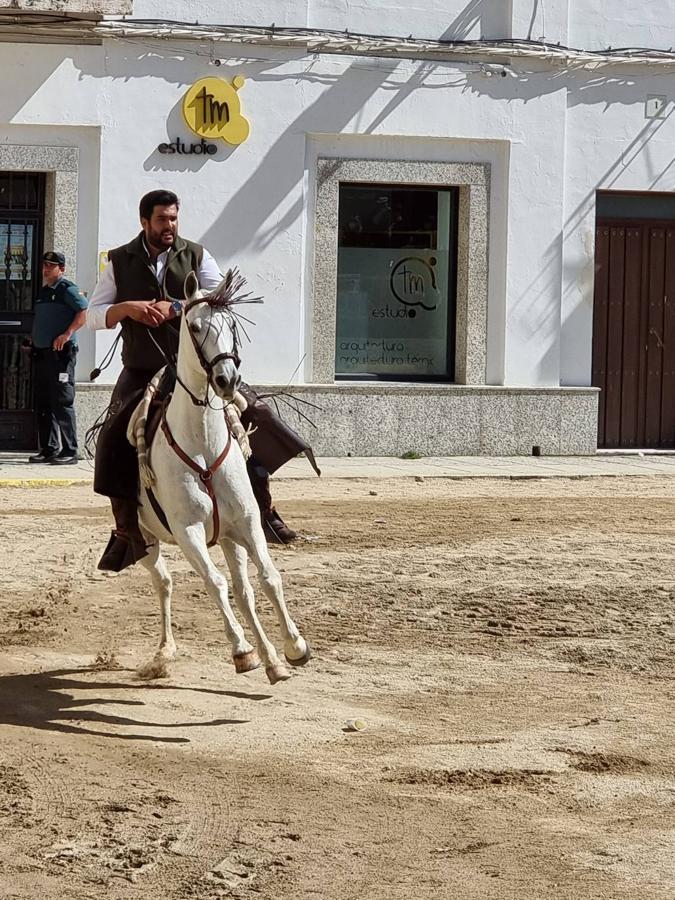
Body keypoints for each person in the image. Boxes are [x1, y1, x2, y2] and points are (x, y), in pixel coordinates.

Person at [87, 189, 306, 573]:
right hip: (141, 368)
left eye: (173, 218)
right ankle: (125, 530)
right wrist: (128, 309)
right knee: (111, 435)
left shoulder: (198, 255)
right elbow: (93, 315)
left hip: (195, 368)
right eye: (161, 219)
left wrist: (175, 306)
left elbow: (220, 298)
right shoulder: (119, 260)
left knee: (256, 415)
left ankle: (264, 508)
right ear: (144, 221)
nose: (169, 226)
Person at [28, 251, 88, 465]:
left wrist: (67, 334)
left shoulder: (67, 289)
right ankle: (49, 449)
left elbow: (83, 312)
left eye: (50, 266)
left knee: (62, 401)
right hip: (43, 354)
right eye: (44, 265)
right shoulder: (43, 292)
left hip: (61, 356)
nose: (46, 269)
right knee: (44, 402)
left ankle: (70, 450)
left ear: (61, 269)